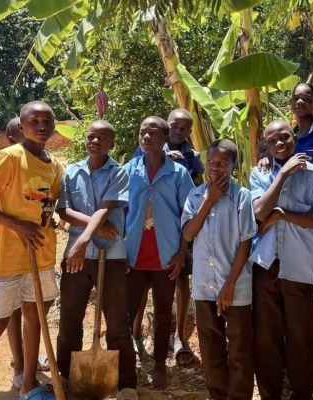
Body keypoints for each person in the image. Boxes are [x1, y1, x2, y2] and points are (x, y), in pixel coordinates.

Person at [0, 101, 63, 400]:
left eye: (48, 121)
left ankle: (28, 384)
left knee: (35, 320)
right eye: (35, 120)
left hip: (42, 256)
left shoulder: (55, 166)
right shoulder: (9, 157)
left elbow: (47, 206)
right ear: (22, 126)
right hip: (9, 257)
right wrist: (15, 225)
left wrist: (50, 220)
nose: (42, 126)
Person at [258, 83, 313, 362]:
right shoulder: (289, 134)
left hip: (311, 205)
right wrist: (271, 163)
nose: (300, 102)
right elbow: (271, 157)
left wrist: (304, 167)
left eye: (307, 98)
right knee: (298, 285)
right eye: (296, 98)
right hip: (283, 226)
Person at [250, 120, 313, 400]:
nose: (279, 143)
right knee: (266, 337)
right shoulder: (260, 173)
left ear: (294, 139)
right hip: (266, 266)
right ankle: (270, 393)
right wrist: (282, 174)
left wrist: (284, 214)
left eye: (284, 137)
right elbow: (260, 212)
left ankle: (302, 392)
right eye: (272, 140)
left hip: (298, 266)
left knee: (300, 336)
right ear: (267, 145)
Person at [55, 120, 137, 399]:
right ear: (85, 140)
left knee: (117, 325)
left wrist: (82, 239)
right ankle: (65, 377)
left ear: (111, 143)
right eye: (91, 136)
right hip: (77, 258)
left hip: (110, 255)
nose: (96, 141)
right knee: (69, 320)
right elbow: (63, 211)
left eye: (103, 137)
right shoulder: (71, 172)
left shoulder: (119, 172)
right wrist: (90, 232)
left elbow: (107, 207)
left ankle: (126, 384)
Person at [181, 139, 257, 400]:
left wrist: (229, 285)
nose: (215, 167)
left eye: (222, 163)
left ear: (232, 167)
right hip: (204, 287)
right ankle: (218, 395)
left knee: (239, 351)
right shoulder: (194, 196)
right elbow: (189, 233)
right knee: (211, 349)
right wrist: (209, 200)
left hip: (234, 288)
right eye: (211, 162)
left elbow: (246, 243)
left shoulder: (242, 197)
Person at [123, 116, 194, 389]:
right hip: (134, 256)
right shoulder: (129, 171)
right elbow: (121, 213)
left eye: (153, 132)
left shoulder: (178, 173)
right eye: (143, 132)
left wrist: (182, 253)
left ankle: (160, 364)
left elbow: (188, 216)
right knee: (128, 311)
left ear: (165, 139)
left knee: (164, 313)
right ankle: (127, 362)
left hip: (166, 257)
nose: (147, 136)